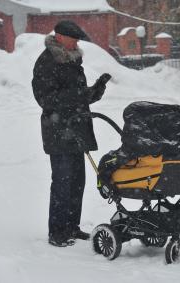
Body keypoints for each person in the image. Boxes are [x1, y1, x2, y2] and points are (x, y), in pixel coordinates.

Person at [32, 20, 110, 247]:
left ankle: (72, 227)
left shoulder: (73, 60)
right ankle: (57, 232)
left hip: (76, 130)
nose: (76, 42)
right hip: (59, 131)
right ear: (59, 37)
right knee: (62, 183)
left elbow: (78, 96)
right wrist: (77, 96)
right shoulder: (47, 62)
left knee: (77, 182)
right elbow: (45, 99)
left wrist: (96, 90)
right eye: (73, 38)